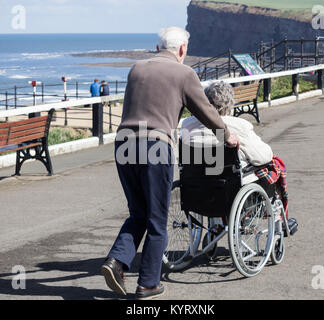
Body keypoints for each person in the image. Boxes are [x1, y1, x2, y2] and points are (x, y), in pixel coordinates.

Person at [101, 27, 240, 300]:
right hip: (155, 145)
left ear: (157, 48)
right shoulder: (184, 74)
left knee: (137, 212)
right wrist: (227, 134)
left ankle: (116, 262)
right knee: (156, 219)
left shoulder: (136, 69)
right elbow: (206, 110)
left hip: (124, 143)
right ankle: (148, 283)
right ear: (182, 49)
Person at [181, 80, 296, 223]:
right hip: (229, 188)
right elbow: (262, 156)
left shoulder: (187, 124)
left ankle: (216, 225)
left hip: (196, 187)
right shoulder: (238, 125)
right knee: (273, 165)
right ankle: (279, 218)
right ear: (230, 104)